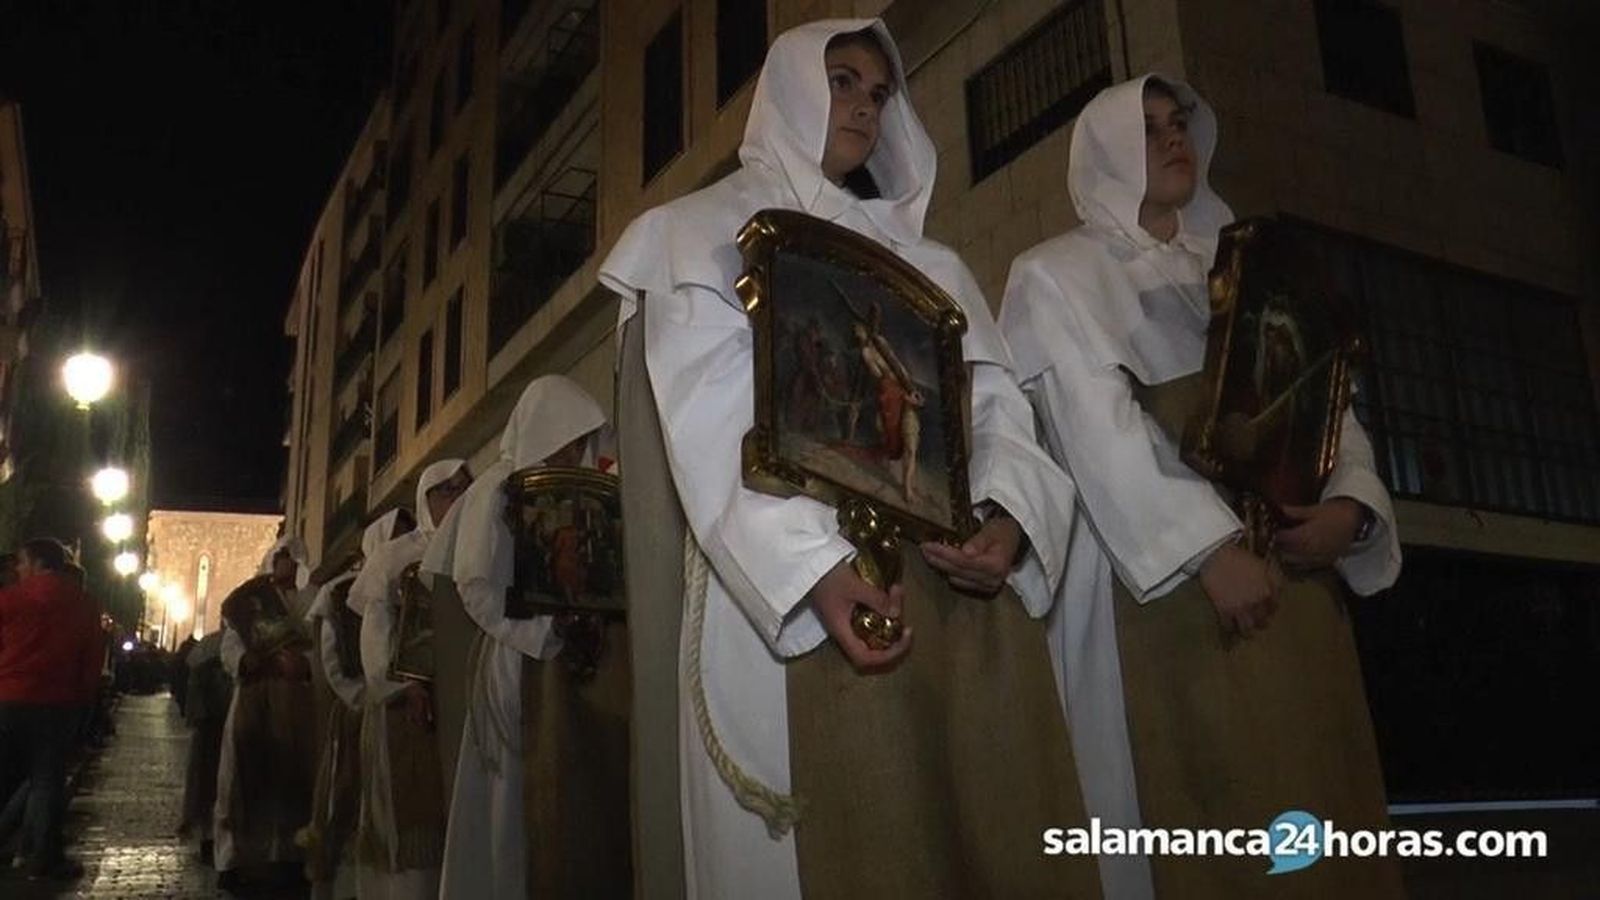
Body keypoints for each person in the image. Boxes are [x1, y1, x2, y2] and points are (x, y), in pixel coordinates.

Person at [601, 20, 1098, 898]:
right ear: (789, 85)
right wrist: (814, 568)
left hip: (955, 597)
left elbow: (995, 407)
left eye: (879, 93)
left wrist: (1012, 515)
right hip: (815, 591)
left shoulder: (932, 260)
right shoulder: (697, 232)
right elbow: (710, 405)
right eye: (842, 80)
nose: (865, 106)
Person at [998, 74, 1405, 899]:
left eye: (1178, 123)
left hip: (1295, 585)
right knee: (1212, 821)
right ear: (1107, 152)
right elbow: (1098, 431)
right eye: (1147, 130)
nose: (1174, 138)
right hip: (1168, 595)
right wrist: (1212, 554)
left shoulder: (1245, 263)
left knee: (1322, 818)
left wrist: (1351, 509)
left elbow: (1328, 400)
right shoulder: (1056, 275)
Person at [424, 375, 620, 899]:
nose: (576, 451)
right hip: (516, 661)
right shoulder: (496, 487)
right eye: (570, 439)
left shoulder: (581, 494)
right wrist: (538, 632)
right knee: (510, 805)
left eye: (583, 442)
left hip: (572, 662)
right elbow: (476, 585)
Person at [348, 459, 470, 900]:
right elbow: (375, 634)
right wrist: (401, 685)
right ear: (426, 499)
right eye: (446, 491)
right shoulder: (395, 557)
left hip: (461, 704)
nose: (456, 500)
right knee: (408, 816)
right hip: (407, 707)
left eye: (463, 490)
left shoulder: (477, 549)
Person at [300, 510, 413, 898]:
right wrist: (362, 699)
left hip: (399, 713)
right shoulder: (339, 592)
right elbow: (332, 660)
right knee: (343, 801)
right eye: (395, 533)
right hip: (356, 714)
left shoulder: (412, 583)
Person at [212, 544, 320, 890]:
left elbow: (321, 643)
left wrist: (305, 666)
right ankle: (233, 858)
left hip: (294, 699)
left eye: (292, 558)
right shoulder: (252, 600)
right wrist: (251, 661)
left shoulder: (311, 599)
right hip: (253, 694)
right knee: (239, 777)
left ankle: (287, 855)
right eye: (281, 557)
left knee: (291, 776)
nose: (286, 564)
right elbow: (232, 646)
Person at [0, 538, 103, 881]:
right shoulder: (84, 603)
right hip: (58, 702)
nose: (18, 569)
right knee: (46, 782)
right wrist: (84, 701)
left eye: (22, 562)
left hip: (9, 696)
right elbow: (91, 660)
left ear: (39, 563)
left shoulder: (12, 598)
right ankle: (43, 857)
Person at [178, 628, 231, 865]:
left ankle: (209, 837)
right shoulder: (225, 645)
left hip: (208, 724)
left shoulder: (206, 647)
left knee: (206, 784)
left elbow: (191, 691)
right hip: (219, 723)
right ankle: (213, 838)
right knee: (214, 783)